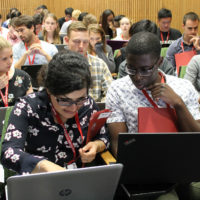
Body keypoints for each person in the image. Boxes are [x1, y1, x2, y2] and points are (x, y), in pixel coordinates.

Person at [106, 31, 200, 200]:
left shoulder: (183, 87)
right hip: (144, 173)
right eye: (131, 68)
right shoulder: (118, 89)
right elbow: (118, 144)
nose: (137, 76)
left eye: (145, 69)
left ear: (159, 62)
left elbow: (197, 139)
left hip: (184, 167)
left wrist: (178, 104)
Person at [1, 50, 109, 174]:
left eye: (79, 99)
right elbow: (8, 153)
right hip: (39, 179)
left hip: (78, 176)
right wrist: (43, 165)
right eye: (64, 100)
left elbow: (103, 136)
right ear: (49, 90)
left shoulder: (88, 104)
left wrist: (96, 145)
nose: (73, 108)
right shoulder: (27, 107)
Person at [64, 21, 113, 102]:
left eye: (85, 42)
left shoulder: (99, 64)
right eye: (77, 41)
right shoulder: (57, 65)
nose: (81, 46)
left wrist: (100, 106)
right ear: (66, 40)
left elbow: (111, 93)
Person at [0, 36, 33, 107]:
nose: (10, 62)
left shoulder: (23, 76)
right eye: (4, 59)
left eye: (11, 56)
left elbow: (31, 107)